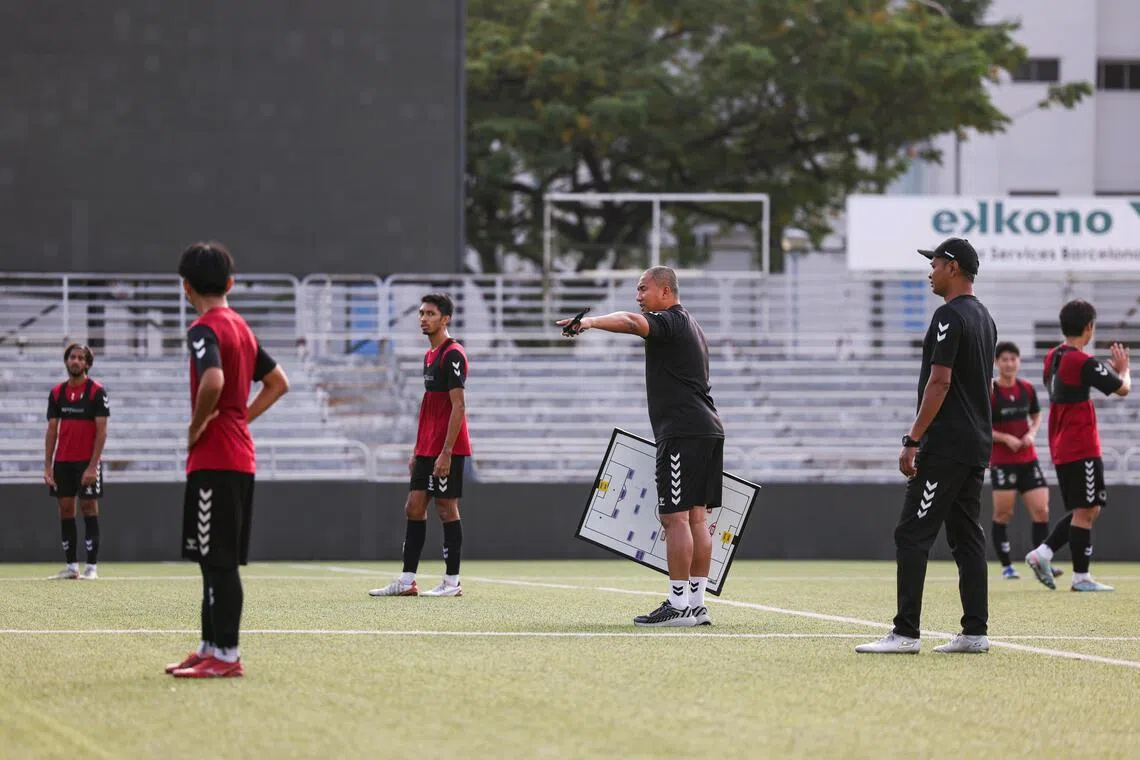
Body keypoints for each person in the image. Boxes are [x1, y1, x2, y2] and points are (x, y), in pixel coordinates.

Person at [557, 266, 723, 628]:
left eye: (643, 289)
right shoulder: (691, 324)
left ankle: (678, 605)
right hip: (706, 429)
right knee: (697, 519)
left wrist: (589, 323)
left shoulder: (670, 320)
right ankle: (696, 605)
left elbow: (633, 322)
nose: (638, 297)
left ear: (665, 291)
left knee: (674, 519)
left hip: (682, 432)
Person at [857, 237, 996, 655]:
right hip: (975, 445)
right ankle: (975, 632)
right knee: (967, 536)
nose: (929, 272)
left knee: (912, 533)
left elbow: (940, 381)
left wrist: (913, 439)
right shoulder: (985, 317)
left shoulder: (948, 316)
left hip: (946, 446)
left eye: (934, 264)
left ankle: (905, 634)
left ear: (953, 267)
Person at [166, 242, 290, 678]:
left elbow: (213, 380)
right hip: (237, 455)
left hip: (215, 458)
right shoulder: (242, 327)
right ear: (231, 283)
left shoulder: (204, 329)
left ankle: (227, 655)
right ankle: (209, 647)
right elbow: (278, 382)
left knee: (218, 562)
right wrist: (241, 418)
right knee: (212, 559)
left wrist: (197, 425)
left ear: (186, 287)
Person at [369, 293, 470, 598]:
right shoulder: (429, 355)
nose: (424, 319)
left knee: (446, 508)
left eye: (430, 314)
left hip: (447, 448)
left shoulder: (453, 354)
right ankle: (407, 581)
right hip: (427, 447)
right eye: (422, 313)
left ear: (445, 319)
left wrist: (446, 452)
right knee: (413, 507)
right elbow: (429, 408)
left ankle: (452, 582)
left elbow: (458, 406)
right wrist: (418, 450)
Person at [1025, 300, 1130, 592]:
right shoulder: (1081, 361)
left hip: (1061, 443)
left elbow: (1074, 383)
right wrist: (1123, 370)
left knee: (1087, 508)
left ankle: (1044, 553)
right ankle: (1079, 577)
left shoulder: (1053, 356)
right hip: (1080, 444)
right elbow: (1122, 389)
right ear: (1089, 327)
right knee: (1086, 509)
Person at [988, 341, 1058, 581]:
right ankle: (1007, 566)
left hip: (1028, 459)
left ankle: (1041, 562)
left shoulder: (1027, 388)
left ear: (1018, 361)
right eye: (1004, 359)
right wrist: (1005, 438)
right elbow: (981, 426)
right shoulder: (990, 390)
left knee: (1041, 510)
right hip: (1002, 462)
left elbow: (1036, 416)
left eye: (1013, 359)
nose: (1009, 364)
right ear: (996, 362)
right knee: (1003, 514)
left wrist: (1031, 433)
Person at [43, 343, 109, 580]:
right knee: (66, 510)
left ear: (87, 363)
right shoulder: (57, 393)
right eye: (72, 357)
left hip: (86, 462)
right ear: (66, 361)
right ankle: (71, 567)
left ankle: (91, 568)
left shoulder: (96, 391)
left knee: (89, 508)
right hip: (63, 462)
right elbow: (52, 430)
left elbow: (102, 432)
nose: (76, 361)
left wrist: (93, 465)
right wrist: (48, 465)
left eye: (81, 358)